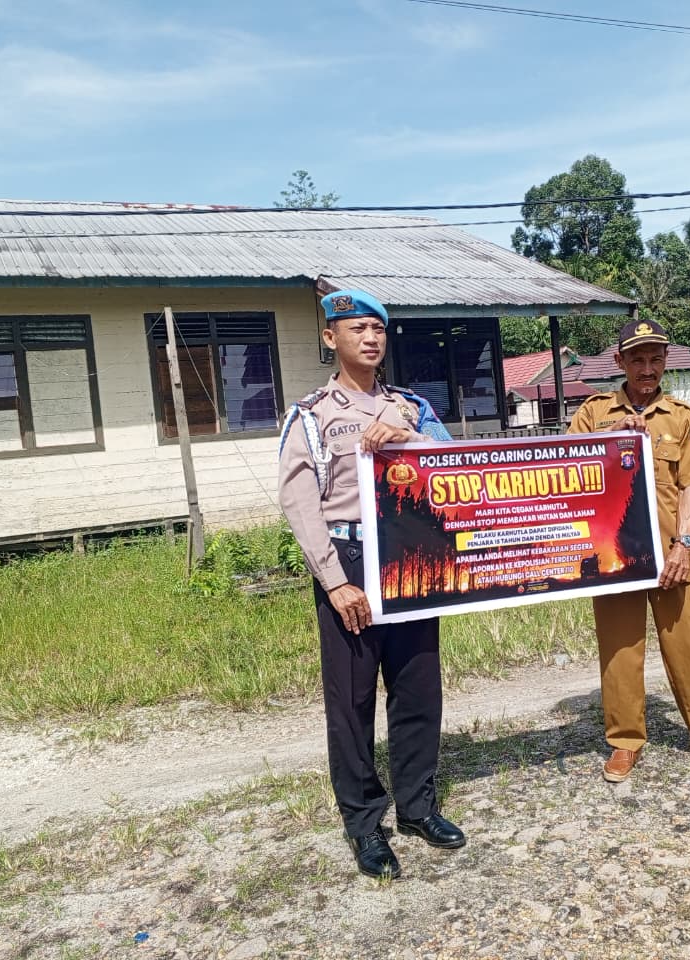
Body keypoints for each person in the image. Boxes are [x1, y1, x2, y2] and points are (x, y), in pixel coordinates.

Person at [278, 288, 465, 880]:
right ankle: (363, 822)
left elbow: (454, 462)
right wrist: (334, 581)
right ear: (331, 338)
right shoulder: (310, 414)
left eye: (378, 329)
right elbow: (300, 502)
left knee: (416, 688)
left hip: (409, 557)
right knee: (352, 700)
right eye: (356, 328)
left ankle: (416, 806)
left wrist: (401, 436)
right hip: (350, 560)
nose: (371, 338)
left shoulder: (410, 407)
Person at [567, 318, 690, 783]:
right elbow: (570, 474)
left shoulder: (683, 416)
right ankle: (625, 742)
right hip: (614, 556)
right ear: (620, 362)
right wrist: (611, 441)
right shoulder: (593, 413)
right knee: (620, 649)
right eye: (637, 359)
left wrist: (684, 544)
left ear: (665, 361)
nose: (647, 368)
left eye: (656, 358)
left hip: (674, 551)